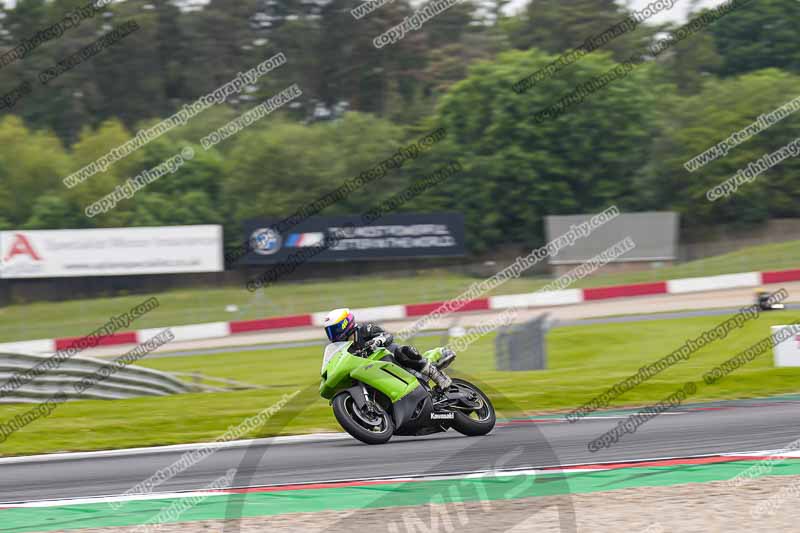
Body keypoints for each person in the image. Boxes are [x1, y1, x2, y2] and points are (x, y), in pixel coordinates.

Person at [322, 308, 454, 390]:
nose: (332, 334)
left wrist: (377, 340)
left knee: (403, 351)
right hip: (373, 373)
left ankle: (437, 376)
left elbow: (388, 335)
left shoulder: (364, 330)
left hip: (389, 360)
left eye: (334, 330)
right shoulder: (343, 348)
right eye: (329, 331)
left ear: (345, 324)